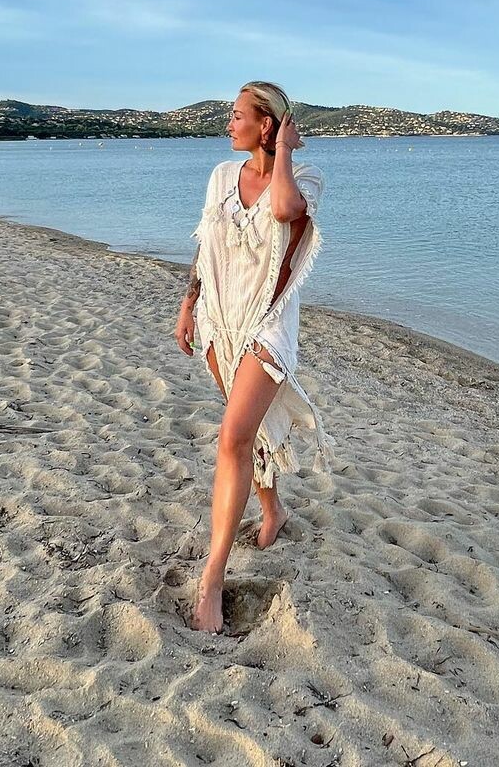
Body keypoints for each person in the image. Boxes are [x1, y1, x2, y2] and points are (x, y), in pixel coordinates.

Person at [174, 81, 334, 634]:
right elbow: (205, 246)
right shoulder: (222, 176)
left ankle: (212, 579)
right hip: (221, 320)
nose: (228, 123)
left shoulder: (304, 177)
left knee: (231, 439)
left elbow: (286, 209)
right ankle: (272, 510)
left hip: (266, 326)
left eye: (237, 115)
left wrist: (283, 151)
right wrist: (189, 304)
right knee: (248, 435)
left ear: (265, 124)